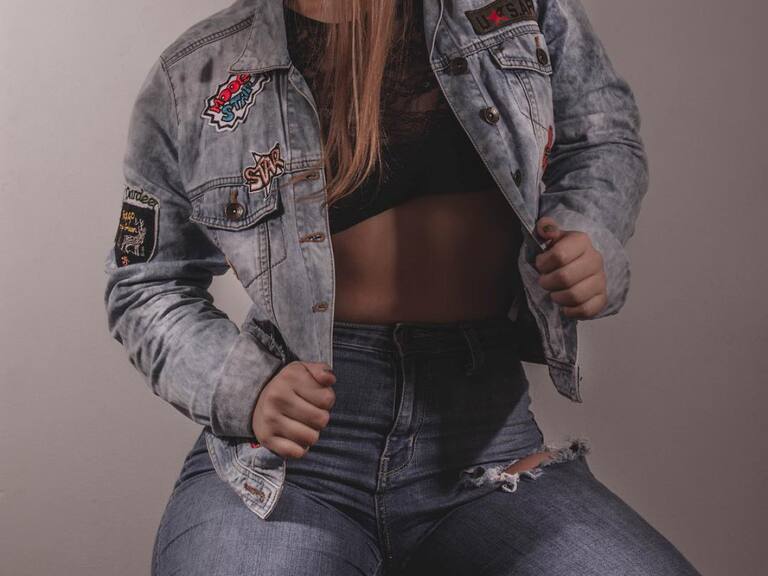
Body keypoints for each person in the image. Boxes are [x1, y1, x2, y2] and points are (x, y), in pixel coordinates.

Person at [104, 1, 702, 574]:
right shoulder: (198, 72)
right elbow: (146, 283)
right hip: (295, 456)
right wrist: (246, 388)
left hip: (488, 441)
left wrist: (588, 232)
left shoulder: (518, 7)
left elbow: (601, 135)